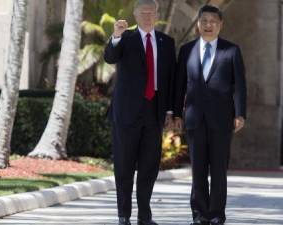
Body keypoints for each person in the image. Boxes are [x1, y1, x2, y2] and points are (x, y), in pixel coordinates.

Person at [104, 0, 176, 224]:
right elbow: (110, 57)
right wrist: (115, 36)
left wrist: (171, 112)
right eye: (142, 12)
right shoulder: (125, 38)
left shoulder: (167, 42)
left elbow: (171, 79)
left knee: (149, 166)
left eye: (151, 12)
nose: (147, 16)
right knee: (124, 166)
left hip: (154, 110)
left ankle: (145, 216)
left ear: (157, 14)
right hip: (126, 112)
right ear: (135, 15)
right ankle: (123, 215)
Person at [173, 5, 247, 225]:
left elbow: (239, 86)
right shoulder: (186, 50)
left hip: (222, 120)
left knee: (218, 170)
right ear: (198, 24)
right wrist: (176, 113)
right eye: (204, 21)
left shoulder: (231, 51)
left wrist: (240, 113)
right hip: (194, 119)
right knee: (197, 170)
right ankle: (199, 215)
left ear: (220, 25)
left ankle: (216, 215)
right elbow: (179, 86)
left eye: (213, 21)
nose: (208, 25)